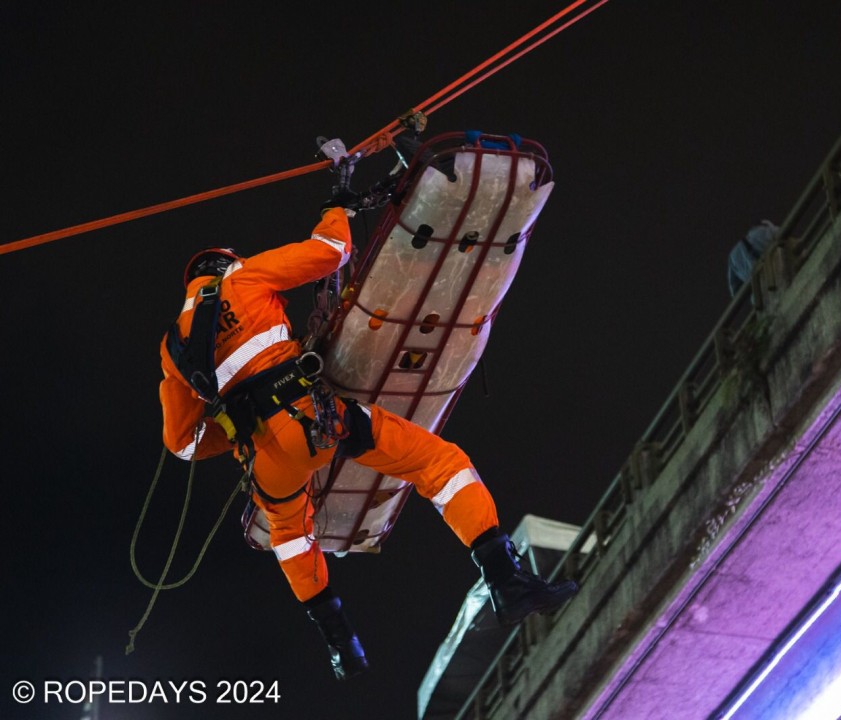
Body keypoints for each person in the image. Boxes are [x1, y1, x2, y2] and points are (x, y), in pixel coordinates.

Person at [159, 182, 578, 680]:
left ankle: (342, 646)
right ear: (224, 263)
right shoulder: (243, 279)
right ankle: (506, 581)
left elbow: (181, 443)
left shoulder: (172, 349)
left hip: (265, 458)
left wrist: (239, 425)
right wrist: (334, 208)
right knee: (439, 464)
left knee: (291, 539)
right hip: (315, 419)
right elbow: (332, 252)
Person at [727, 220, 780, 298]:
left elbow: (735, 290)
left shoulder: (733, 256)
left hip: (760, 295)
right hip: (778, 274)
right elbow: (785, 232)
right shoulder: (766, 230)